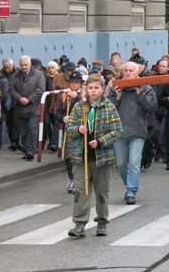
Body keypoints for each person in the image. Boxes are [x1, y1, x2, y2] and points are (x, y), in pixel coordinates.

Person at [67, 74, 123, 238]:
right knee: (81, 191)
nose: (93, 91)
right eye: (90, 88)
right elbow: (69, 129)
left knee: (101, 192)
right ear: (86, 89)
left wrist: (101, 141)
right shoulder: (79, 107)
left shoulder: (109, 107)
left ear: (102, 89)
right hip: (81, 156)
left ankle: (101, 222)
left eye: (96, 88)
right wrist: (78, 129)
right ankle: (79, 224)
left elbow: (117, 130)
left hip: (102, 157)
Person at [109, 61, 157, 205]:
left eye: (131, 71)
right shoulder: (116, 86)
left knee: (134, 163)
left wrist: (139, 92)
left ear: (138, 72)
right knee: (122, 163)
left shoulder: (146, 88)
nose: (128, 73)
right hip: (119, 131)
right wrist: (116, 98)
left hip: (137, 132)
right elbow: (108, 108)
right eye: (126, 71)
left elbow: (151, 107)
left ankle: (131, 191)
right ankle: (129, 185)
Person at [9, 55, 46, 160]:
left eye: (26, 65)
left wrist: (29, 99)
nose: (24, 67)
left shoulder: (38, 75)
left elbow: (40, 89)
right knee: (24, 131)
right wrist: (20, 98)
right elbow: (11, 90)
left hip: (34, 108)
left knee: (32, 129)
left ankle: (31, 151)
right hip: (20, 109)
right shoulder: (15, 76)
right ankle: (26, 149)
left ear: (30, 64)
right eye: (22, 65)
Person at [55, 70, 85, 193]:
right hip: (70, 130)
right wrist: (62, 118)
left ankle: (82, 179)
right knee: (68, 156)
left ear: (80, 84)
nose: (73, 85)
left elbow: (88, 107)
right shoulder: (65, 96)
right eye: (71, 83)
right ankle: (72, 179)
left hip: (83, 130)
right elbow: (57, 113)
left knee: (82, 156)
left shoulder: (84, 95)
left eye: (76, 83)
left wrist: (77, 98)